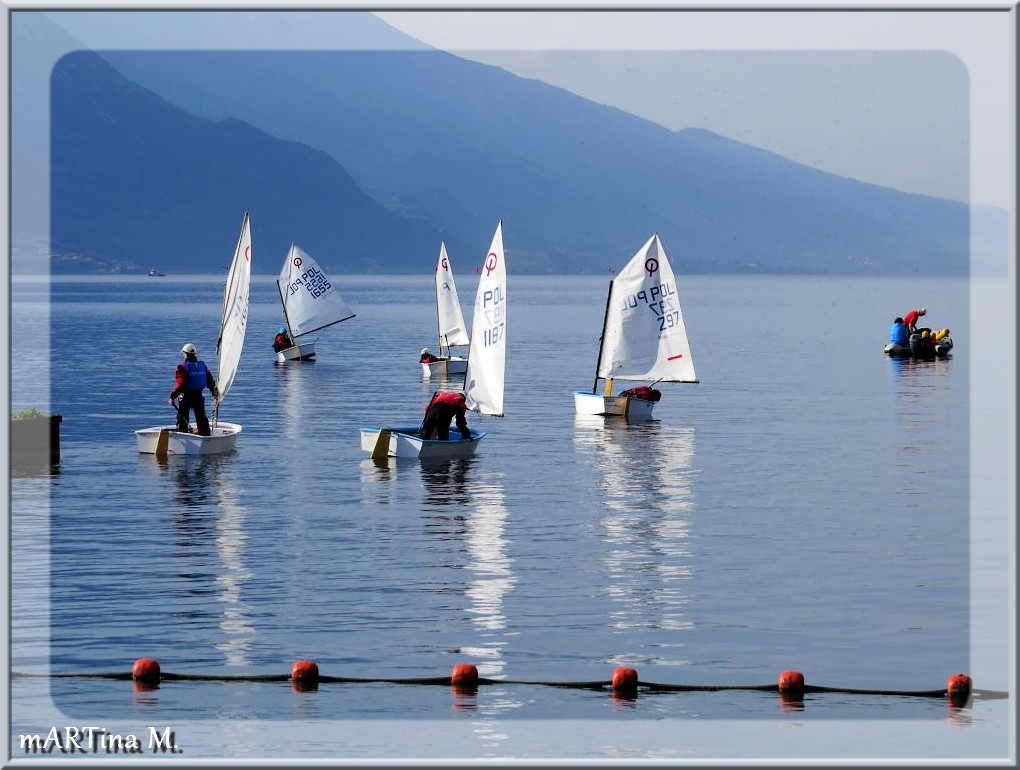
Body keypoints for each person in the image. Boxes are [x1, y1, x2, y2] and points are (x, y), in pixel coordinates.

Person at [170, 343, 219, 436]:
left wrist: (172, 397)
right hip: (198, 395)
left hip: (186, 396)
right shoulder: (203, 367)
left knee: (183, 416)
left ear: (185, 353)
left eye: (183, 353)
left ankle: (183, 434)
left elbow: (180, 385)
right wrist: (214, 393)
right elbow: (210, 382)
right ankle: (205, 434)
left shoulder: (182, 367)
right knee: (201, 416)